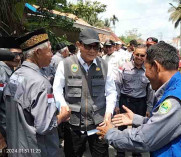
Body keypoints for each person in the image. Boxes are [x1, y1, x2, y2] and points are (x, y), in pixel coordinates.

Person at [97, 42, 181, 157]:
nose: (145, 74)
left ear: (156, 66)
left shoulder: (174, 100)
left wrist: (110, 133)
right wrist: (137, 119)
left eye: (146, 68)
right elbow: (166, 125)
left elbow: (144, 139)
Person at [3, 28, 70, 157]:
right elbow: (45, 126)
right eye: (50, 50)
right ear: (38, 52)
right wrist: (62, 116)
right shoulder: (40, 83)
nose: (52, 55)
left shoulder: (16, 76)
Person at [53, 28, 117, 157]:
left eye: (96, 46)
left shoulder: (105, 66)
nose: (92, 50)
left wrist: (108, 113)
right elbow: (57, 89)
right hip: (74, 125)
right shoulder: (65, 64)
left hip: (99, 124)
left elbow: (111, 91)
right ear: (79, 45)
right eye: (88, 46)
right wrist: (63, 106)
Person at [114, 44, 153, 157]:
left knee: (138, 129)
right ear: (133, 54)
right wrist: (116, 104)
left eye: (142, 55)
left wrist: (149, 107)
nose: (139, 57)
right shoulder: (124, 67)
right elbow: (117, 86)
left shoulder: (148, 70)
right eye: (137, 54)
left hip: (140, 103)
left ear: (146, 56)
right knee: (121, 127)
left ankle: (136, 153)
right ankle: (120, 153)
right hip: (125, 101)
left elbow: (150, 91)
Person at [0, 37, 22, 155]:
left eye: (20, 54)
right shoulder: (2, 73)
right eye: (14, 54)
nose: (17, 58)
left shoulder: (11, 72)